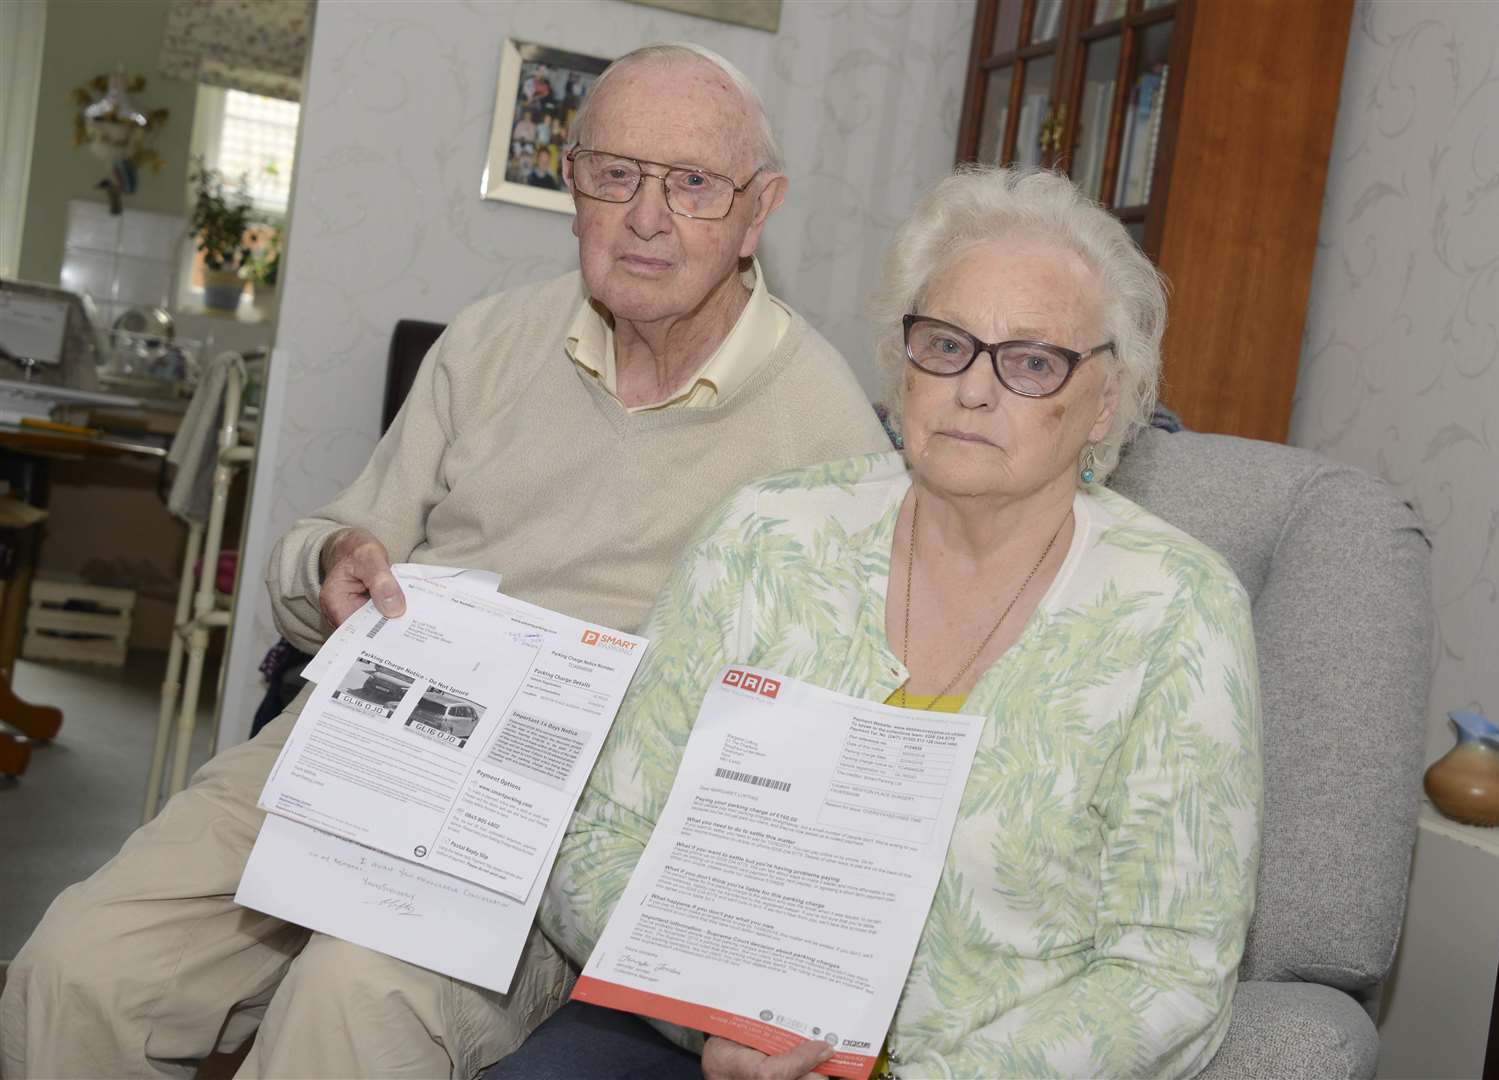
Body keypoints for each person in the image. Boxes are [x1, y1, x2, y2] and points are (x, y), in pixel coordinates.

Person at [0, 42, 890, 1080]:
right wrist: (332, 561)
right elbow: (312, 564)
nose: (648, 218)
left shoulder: (827, 434)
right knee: (77, 965)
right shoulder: (489, 344)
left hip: (559, 830)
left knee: (353, 998)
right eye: (616, 175)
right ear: (574, 190)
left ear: (758, 209)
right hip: (364, 750)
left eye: (693, 183)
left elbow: (836, 731)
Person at [498, 166, 1263, 1079]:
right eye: (945, 345)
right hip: (709, 1042)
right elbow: (600, 835)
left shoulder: (1178, 611)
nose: (973, 391)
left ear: (1105, 399)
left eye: (1030, 362)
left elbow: (1168, 973)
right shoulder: (765, 535)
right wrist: (720, 1020)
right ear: (903, 361)